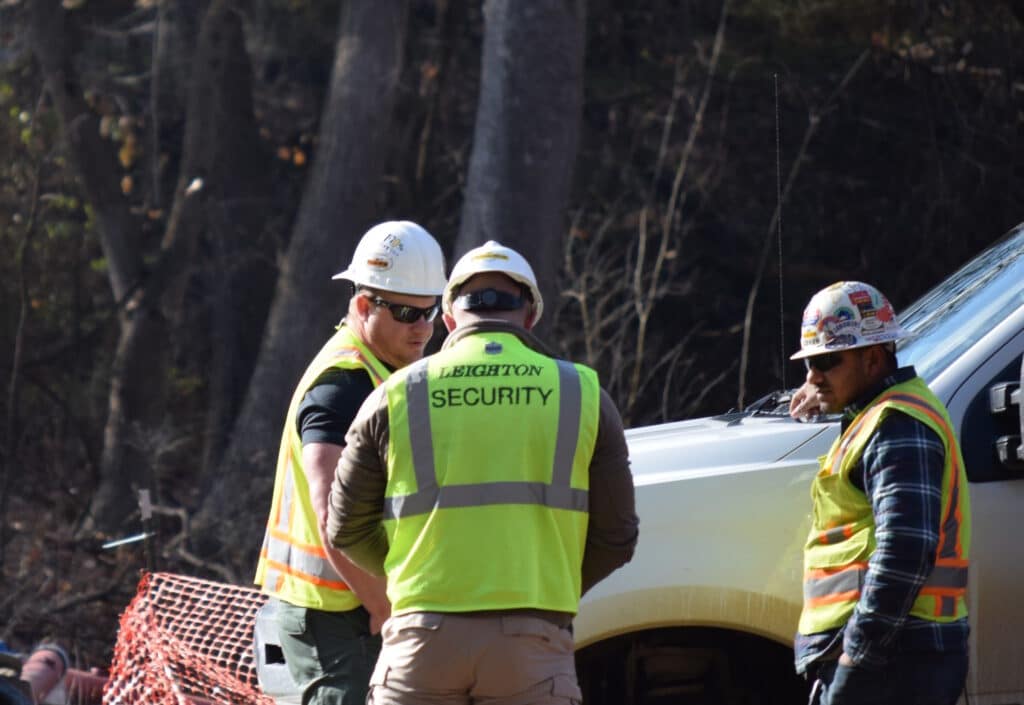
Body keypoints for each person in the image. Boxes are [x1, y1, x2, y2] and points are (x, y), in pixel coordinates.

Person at [326, 240, 639, 705]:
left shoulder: (394, 395)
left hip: (419, 642)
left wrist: (411, 578)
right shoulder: (583, 392)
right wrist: (549, 587)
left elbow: (344, 529)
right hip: (533, 646)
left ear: (449, 318)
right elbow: (617, 537)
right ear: (530, 316)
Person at [254, 221, 447, 705]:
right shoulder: (341, 386)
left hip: (350, 604)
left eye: (431, 310)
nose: (423, 326)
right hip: (336, 612)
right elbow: (329, 514)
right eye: (406, 312)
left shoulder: (382, 371)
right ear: (363, 306)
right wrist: (383, 605)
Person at [788, 281, 971, 705]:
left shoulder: (896, 424)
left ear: (872, 358)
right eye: (809, 363)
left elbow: (905, 549)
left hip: (895, 658)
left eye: (827, 360)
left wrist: (857, 652)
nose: (814, 376)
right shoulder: (876, 415)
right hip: (896, 653)